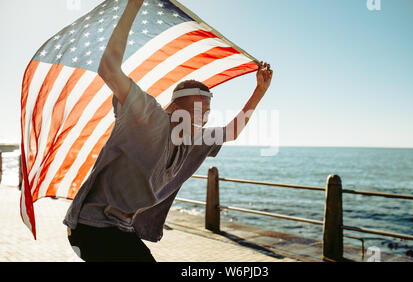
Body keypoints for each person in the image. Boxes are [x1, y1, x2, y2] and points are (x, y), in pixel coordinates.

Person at [64, 0, 273, 262]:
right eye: (198, 110)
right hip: (91, 225)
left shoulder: (193, 138)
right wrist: (133, 6)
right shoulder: (147, 115)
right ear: (175, 105)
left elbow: (231, 132)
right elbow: (108, 68)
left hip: (123, 229)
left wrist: (258, 92)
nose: (203, 118)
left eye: (206, 112)